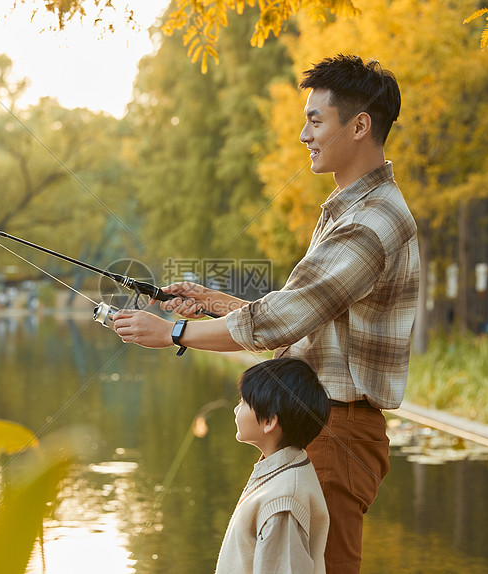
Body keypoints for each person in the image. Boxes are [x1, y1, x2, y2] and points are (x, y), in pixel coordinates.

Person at [113, 54, 419, 573]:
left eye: (315, 120)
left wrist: (175, 334)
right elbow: (307, 322)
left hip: (337, 433)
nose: (304, 134)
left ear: (360, 126)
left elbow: (286, 319)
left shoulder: (373, 222)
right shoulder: (349, 210)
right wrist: (215, 304)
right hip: (321, 427)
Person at [216, 357, 330, 574]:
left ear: (269, 421)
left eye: (243, 402)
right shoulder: (282, 469)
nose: (235, 410)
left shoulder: (283, 501)